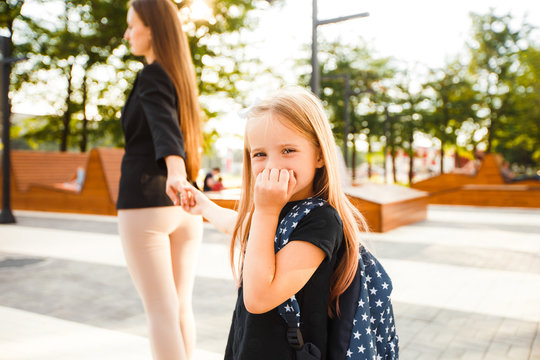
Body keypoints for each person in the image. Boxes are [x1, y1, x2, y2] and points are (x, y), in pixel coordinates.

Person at [185, 87, 369, 359]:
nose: (272, 165)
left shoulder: (321, 220)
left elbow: (259, 298)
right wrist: (203, 205)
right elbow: (236, 225)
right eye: (260, 154)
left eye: (288, 150)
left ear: (319, 155)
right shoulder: (273, 211)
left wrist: (266, 212)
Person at [116, 1, 203, 359]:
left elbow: (163, 127)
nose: (126, 33)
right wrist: (182, 178)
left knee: (160, 311)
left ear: (151, 28)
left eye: (131, 25)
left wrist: (175, 171)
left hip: (148, 201)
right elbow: (171, 126)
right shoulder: (180, 76)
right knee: (180, 307)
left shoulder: (152, 75)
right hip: (184, 208)